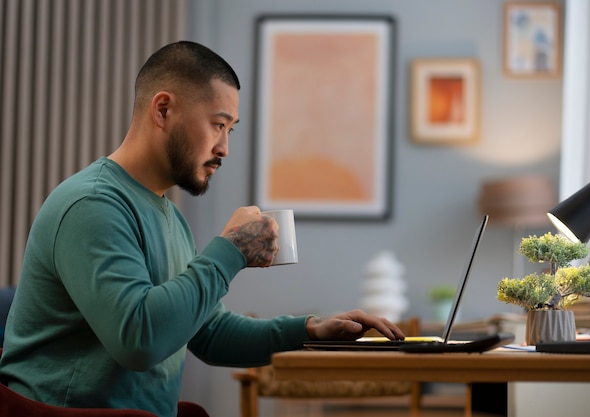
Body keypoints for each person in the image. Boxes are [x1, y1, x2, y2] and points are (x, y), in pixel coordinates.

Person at [0, 41, 404, 417]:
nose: (225, 147)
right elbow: (139, 341)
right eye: (218, 125)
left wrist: (311, 330)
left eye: (231, 130)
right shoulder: (93, 204)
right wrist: (230, 250)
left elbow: (207, 330)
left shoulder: (168, 216)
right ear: (162, 110)